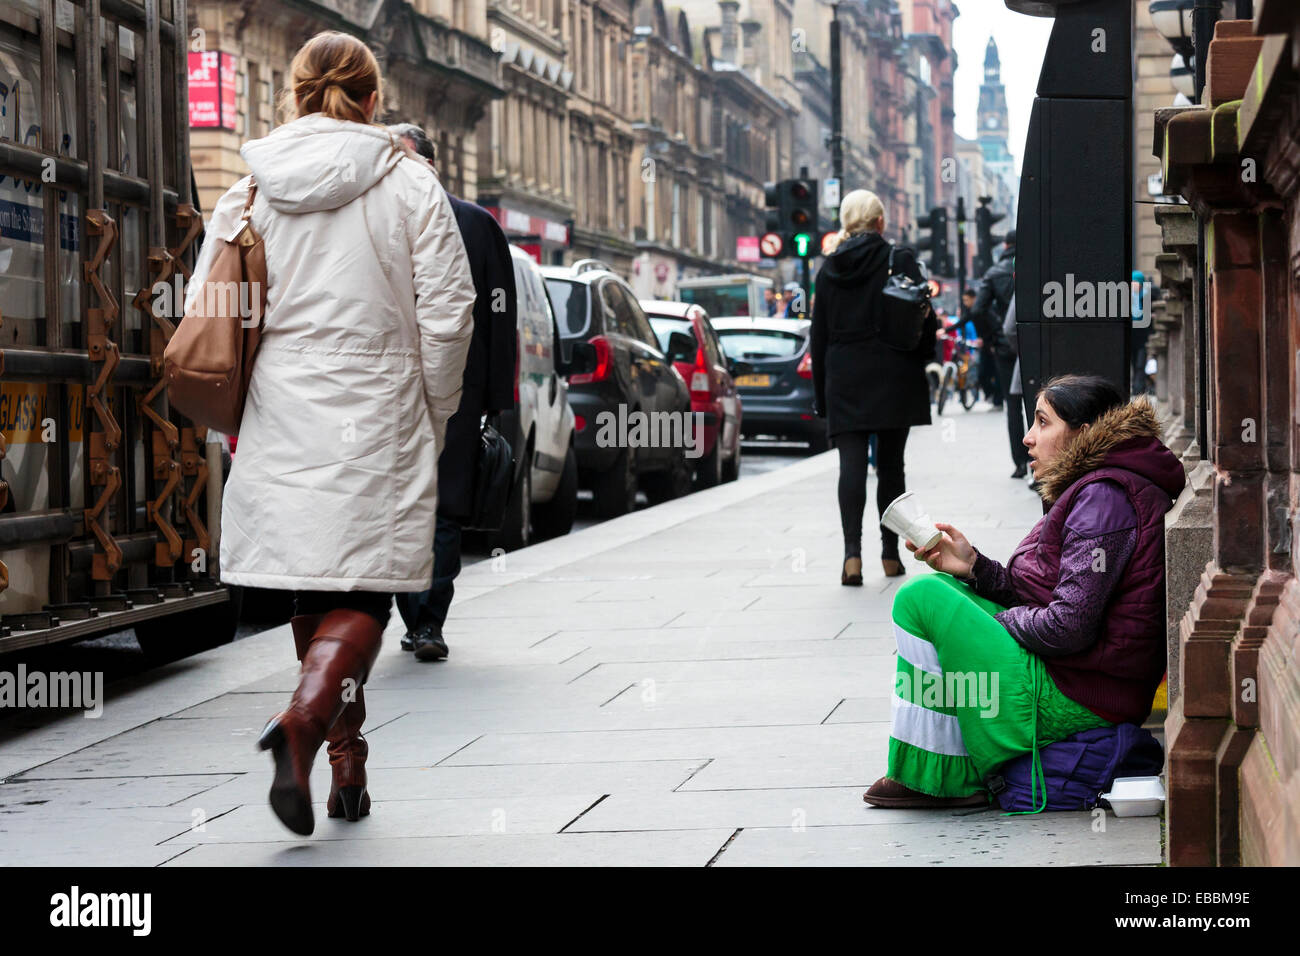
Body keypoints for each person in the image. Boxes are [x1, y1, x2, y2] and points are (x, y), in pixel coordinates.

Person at [193, 31, 476, 834]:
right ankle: (304, 723)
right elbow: (451, 313)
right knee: (366, 589)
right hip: (379, 406)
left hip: (283, 407)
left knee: (315, 586)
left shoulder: (248, 191)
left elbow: (209, 308)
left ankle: (344, 768)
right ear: (373, 98)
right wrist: (436, 405)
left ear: (292, 93)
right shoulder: (410, 183)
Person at [862, 376, 1185, 808]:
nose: (1027, 438)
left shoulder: (1104, 500)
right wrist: (974, 567)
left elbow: (1069, 625)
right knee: (943, 587)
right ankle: (942, 763)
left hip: (1079, 694)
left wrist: (995, 625)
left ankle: (938, 773)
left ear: (1083, 432)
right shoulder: (1099, 488)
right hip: (1078, 674)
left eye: (1042, 423)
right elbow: (1050, 592)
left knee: (920, 598)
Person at [389, 123, 517, 662]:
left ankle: (426, 620)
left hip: (457, 390)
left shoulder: (475, 223)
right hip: (391, 389)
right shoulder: (381, 221)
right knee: (401, 508)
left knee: (440, 508)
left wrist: (493, 397)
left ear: (431, 165)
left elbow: (500, 314)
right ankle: (419, 621)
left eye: (403, 162)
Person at [811, 189, 938, 585]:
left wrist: (821, 394)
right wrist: (922, 358)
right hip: (892, 374)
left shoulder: (828, 270)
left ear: (846, 224)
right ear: (880, 222)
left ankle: (851, 556)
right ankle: (889, 555)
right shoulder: (898, 259)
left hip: (844, 376)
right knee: (890, 467)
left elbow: (819, 336)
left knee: (850, 466)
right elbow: (925, 317)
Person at [973, 231, 1023, 473]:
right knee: (1040, 400)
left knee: (1012, 405)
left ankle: (1021, 462)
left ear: (1004, 245)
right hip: (1031, 343)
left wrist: (994, 335)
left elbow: (978, 309)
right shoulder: (1031, 266)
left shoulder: (994, 273)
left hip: (1005, 346)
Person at [1001, 298, 1032, 482]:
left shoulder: (1023, 282)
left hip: (1023, 356)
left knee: (1017, 410)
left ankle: (1023, 463)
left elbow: (1010, 329)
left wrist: (1023, 350)